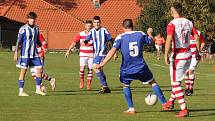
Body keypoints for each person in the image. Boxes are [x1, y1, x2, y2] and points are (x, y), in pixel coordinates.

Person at [94, 19, 169, 114]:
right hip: (141, 67)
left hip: (127, 69)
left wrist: (102, 64)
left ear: (123, 27)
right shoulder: (140, 34)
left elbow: (112, 51)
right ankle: (165, 104)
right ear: (132, 26)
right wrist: (149, 33)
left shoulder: (120, 37)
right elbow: (151, 41)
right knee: (152, 82)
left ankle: (131, 108)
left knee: (125, 85)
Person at [164, 2, 200, 117]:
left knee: (175, 83)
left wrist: (165, 54)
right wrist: (198, 52)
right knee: (176, 80)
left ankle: (183, 109)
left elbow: (169, 40)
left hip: (178, 56)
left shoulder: (172, 24)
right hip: (189, 55)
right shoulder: (189, 22)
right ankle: (170, 102)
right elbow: (196, 36)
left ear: (173, 11)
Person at [13, 12, 46, 96]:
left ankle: (38, 89)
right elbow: (18, 41)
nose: (32, 20)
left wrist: (42, 45)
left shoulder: (37, 28)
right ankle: (21, 92)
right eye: (31, 18)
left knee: (40, 68)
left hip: (34, 54)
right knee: (23, 72)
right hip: (25, 55)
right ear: (27, 19)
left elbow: (37, 40)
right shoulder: (23, 29)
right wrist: (16, 53)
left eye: (33, 19)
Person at [85, 16, 112, 93]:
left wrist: (114, 51)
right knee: (99, 69)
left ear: (100, 23)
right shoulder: (91, 31)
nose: (97, 24)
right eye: (95, 22)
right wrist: (84, 42)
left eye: (98, 22)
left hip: (102, 52)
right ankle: (105, 87)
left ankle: (104, 86)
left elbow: (110, 40)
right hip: (96, 54)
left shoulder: (104, 30)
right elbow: (87, 40)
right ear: (93, 23)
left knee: (95, 67)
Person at [65, 20, 93, 90]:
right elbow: (74, 42)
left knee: (90, 69)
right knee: (82, 69)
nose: (89, 27)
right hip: (83, 54)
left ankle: (89, 84)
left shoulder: (94, 34)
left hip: (91, 54)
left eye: (90, 26)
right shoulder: (81, 34)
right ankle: (82, 80)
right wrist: (69, 50)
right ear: (85, 26)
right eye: (88, 26)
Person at [184, 19, 205, 96]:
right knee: (186, 72)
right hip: (186, 55)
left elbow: (202, 42)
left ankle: (191, 88)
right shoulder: (185, 33)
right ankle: (187, 88)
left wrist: (199, 50)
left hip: (195, 56)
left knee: (190, 71)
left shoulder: (198, 33)